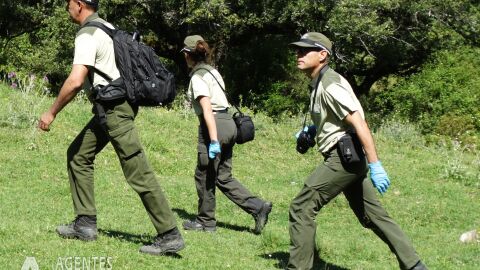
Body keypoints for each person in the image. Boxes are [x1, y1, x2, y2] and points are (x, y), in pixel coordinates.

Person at [38, 0, 184, 256]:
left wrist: (51, 113)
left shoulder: (88, 34)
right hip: (110, 108)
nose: (66, 7)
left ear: (79, 4)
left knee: (137, 169)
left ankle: (169, 234)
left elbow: (74, 81)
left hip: (115, 110)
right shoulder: (106, 26)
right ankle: (85, 224)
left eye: (69, 3)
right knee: (78, 155)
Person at [287, 32, 427, 270]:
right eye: (298, 50)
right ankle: (415, 266)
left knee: (301, 207)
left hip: (342, 158)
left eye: (305, 50)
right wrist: (312, 131)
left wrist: (376, 165)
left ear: (323, 55)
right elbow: (334, 117)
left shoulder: (329, 83)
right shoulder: (320, 81)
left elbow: (359, 122)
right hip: (347, 156)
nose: (298, 54)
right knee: (372, 216)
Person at [180, 35, 272, 234]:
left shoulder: (198, 77)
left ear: (188, 55)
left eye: (185, 54)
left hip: (214, 126)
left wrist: (212, 140)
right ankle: (258, 207)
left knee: (204, 175)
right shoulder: (214, 72)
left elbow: (206, 109)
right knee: (223, 176)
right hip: (229, 123)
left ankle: (205, 222)